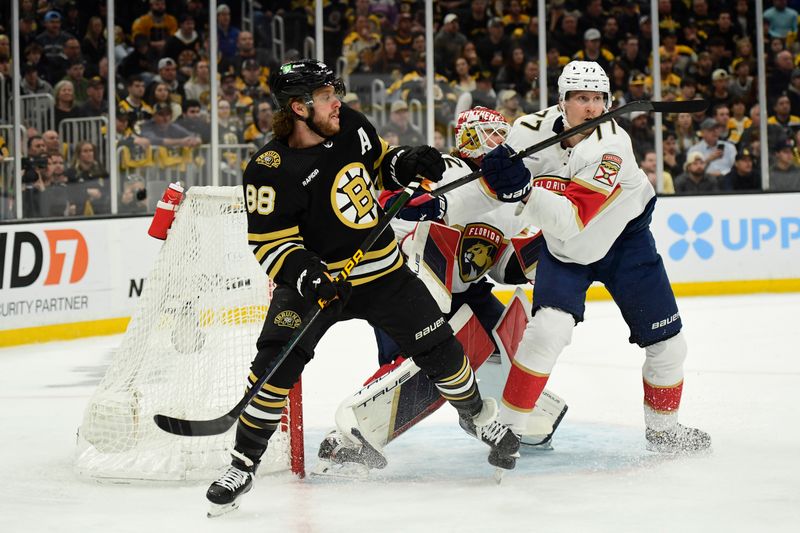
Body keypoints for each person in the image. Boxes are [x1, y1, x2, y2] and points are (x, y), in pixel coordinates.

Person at [204, 60, 520, 517]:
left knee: (442, 350)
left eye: (336, 92)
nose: (339, 102)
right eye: (327, 95)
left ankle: (478, 416)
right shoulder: (270, 169)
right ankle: (241, 464)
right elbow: (269, 243)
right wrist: (309, 274)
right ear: (298, 107)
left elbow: (381, 164)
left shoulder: (350, 125)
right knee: (271, 370)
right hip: (315, 286)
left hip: (381, 272)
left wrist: (407, 161)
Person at [479, 60, 711, 455]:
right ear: (562, 101)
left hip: (625, 243)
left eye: (598, 99)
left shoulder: (611, 147)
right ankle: (508, 429)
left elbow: (570, 219)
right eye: (581, 98)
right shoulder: (528, 131)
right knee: (547, 331)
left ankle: (664, 431)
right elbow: (496, 189)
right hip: (566, 252)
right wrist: (491, 178)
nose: (591, 107)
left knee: (669, 346)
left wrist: (523, 192)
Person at [315, 106, 565, 472]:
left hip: (463, 287)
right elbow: (401, 205)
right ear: (468, 137)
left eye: (502, 135)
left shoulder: (509, 193)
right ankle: (349, 437)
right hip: (402, 280)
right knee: (421, 361)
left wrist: (545, 249)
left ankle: (514, 419)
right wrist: (430, 200)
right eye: (491, 134)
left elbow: (497, 263)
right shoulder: (447, 169)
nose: (501, 142)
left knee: (505, 342)